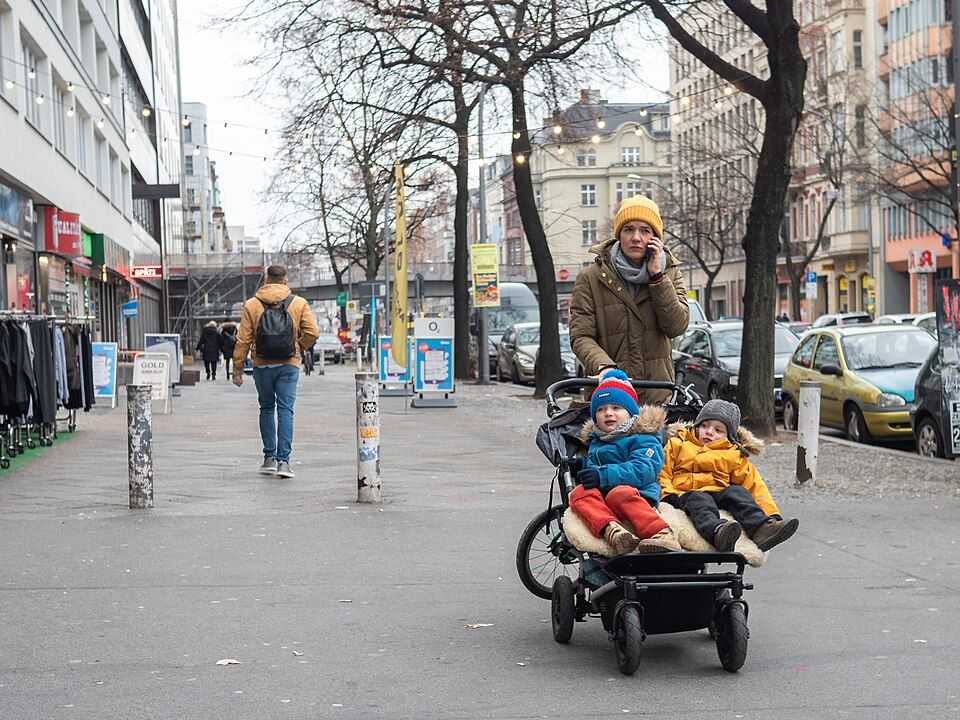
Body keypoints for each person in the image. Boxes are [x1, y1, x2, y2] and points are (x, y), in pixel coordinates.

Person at [570, 196, 689, 405]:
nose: (636, 237)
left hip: (657, 397)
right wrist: (605, 368)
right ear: (619, 235)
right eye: (628, 229)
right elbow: (581, 336)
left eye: (645, 230)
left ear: (655, 237)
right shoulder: (591, 277)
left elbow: (677, 326)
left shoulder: (669, 273)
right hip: (609, 398)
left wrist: (657, 278)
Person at [659, 399, 799, 552]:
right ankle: (717, 532)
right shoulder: (678, 443)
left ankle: (762, 528)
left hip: (718, 491)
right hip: (684, 493)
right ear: (696, 425)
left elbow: (754, 486)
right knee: (700, 501)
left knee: (738, 493)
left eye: (718, 430)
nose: (709, 432)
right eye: (704, 426)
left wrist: (772, 513)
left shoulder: (733, 454)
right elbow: (663, 471)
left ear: (729, 436)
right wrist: (668, 494)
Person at [569, 369, 682, 555]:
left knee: (619, 493)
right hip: (604, 500)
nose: (608, 413)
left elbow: (643, 469)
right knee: (578, 494)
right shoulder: (596, 441)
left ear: (630, 413)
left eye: (616, 408)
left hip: (636, 494)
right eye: (601, 409)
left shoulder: (644, 437)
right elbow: (595, 470)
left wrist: (602, 475)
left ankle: (662, 534)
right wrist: (582, 467)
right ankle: (613, 531)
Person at [233, 265, 319, 479]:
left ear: (266, 280)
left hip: (262, 364)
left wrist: (237, 369)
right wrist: (298, 347)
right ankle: (284, 462)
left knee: (266, 408)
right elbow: (312, 332)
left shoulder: (252, 305)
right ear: (285, 281)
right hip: (288, 364)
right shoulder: (299, 304)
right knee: (285, 410)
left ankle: (269, 458)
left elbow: (243, 339)